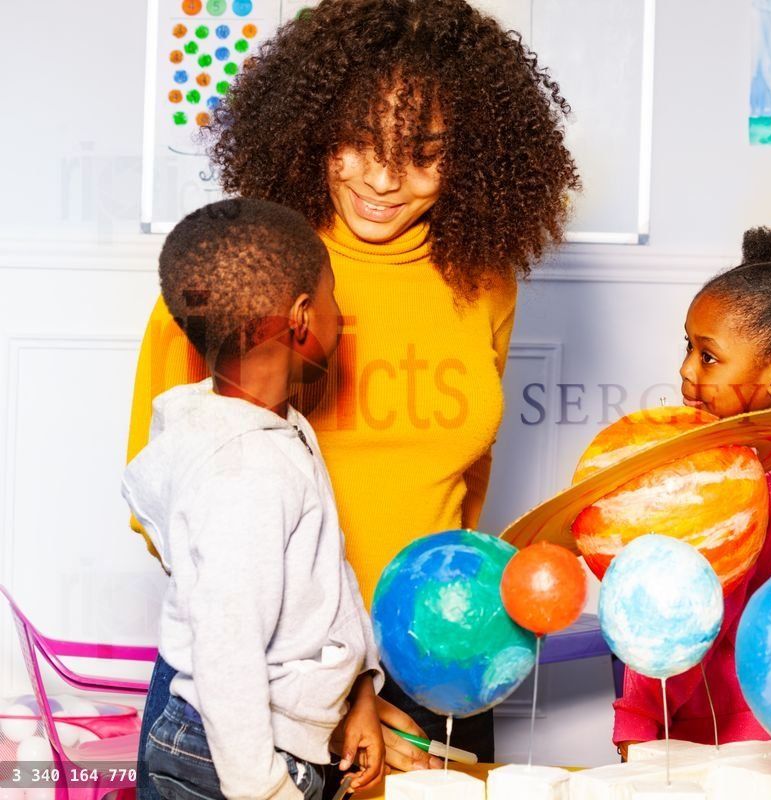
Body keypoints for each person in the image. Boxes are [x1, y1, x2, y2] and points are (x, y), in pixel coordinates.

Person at [127, 0, 579, 790]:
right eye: (358, 142)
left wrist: (416, 666)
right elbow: (165, 513)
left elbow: (465, 482)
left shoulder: (485, 282)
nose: (381, 177)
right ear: (313, 128)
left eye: (422, 152)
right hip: (266, 687)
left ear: (473, 153)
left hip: (441, 667)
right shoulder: (245, 269)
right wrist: (332, 685)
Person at [124, 198, 384, 799]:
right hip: (232, 760)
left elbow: (325, 581)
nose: (339, 312)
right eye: (331, 295)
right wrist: (264, 790)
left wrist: (360, 690)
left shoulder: (273, 428)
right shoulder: (246, 471)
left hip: (253, 744)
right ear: (301, 317)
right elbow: (227, 647)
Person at [614, 227, 771, 752]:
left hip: (725, 737)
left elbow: (683, 608)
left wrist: (638, 713)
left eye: (708, 357)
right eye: (688, 346)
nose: (685, 370)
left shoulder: (732, 489)